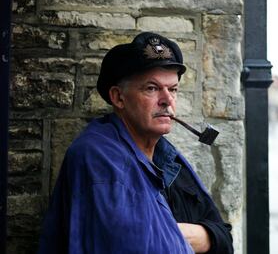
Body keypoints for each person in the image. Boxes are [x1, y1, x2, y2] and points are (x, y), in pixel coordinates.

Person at [38, 32, 233, 254]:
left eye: (173, 89)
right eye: (151, 88)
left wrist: (173, 232)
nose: (167, 100)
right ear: (118, 98)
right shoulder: (98, 157)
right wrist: (190, 236)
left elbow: (224, 238)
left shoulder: (165, 156)